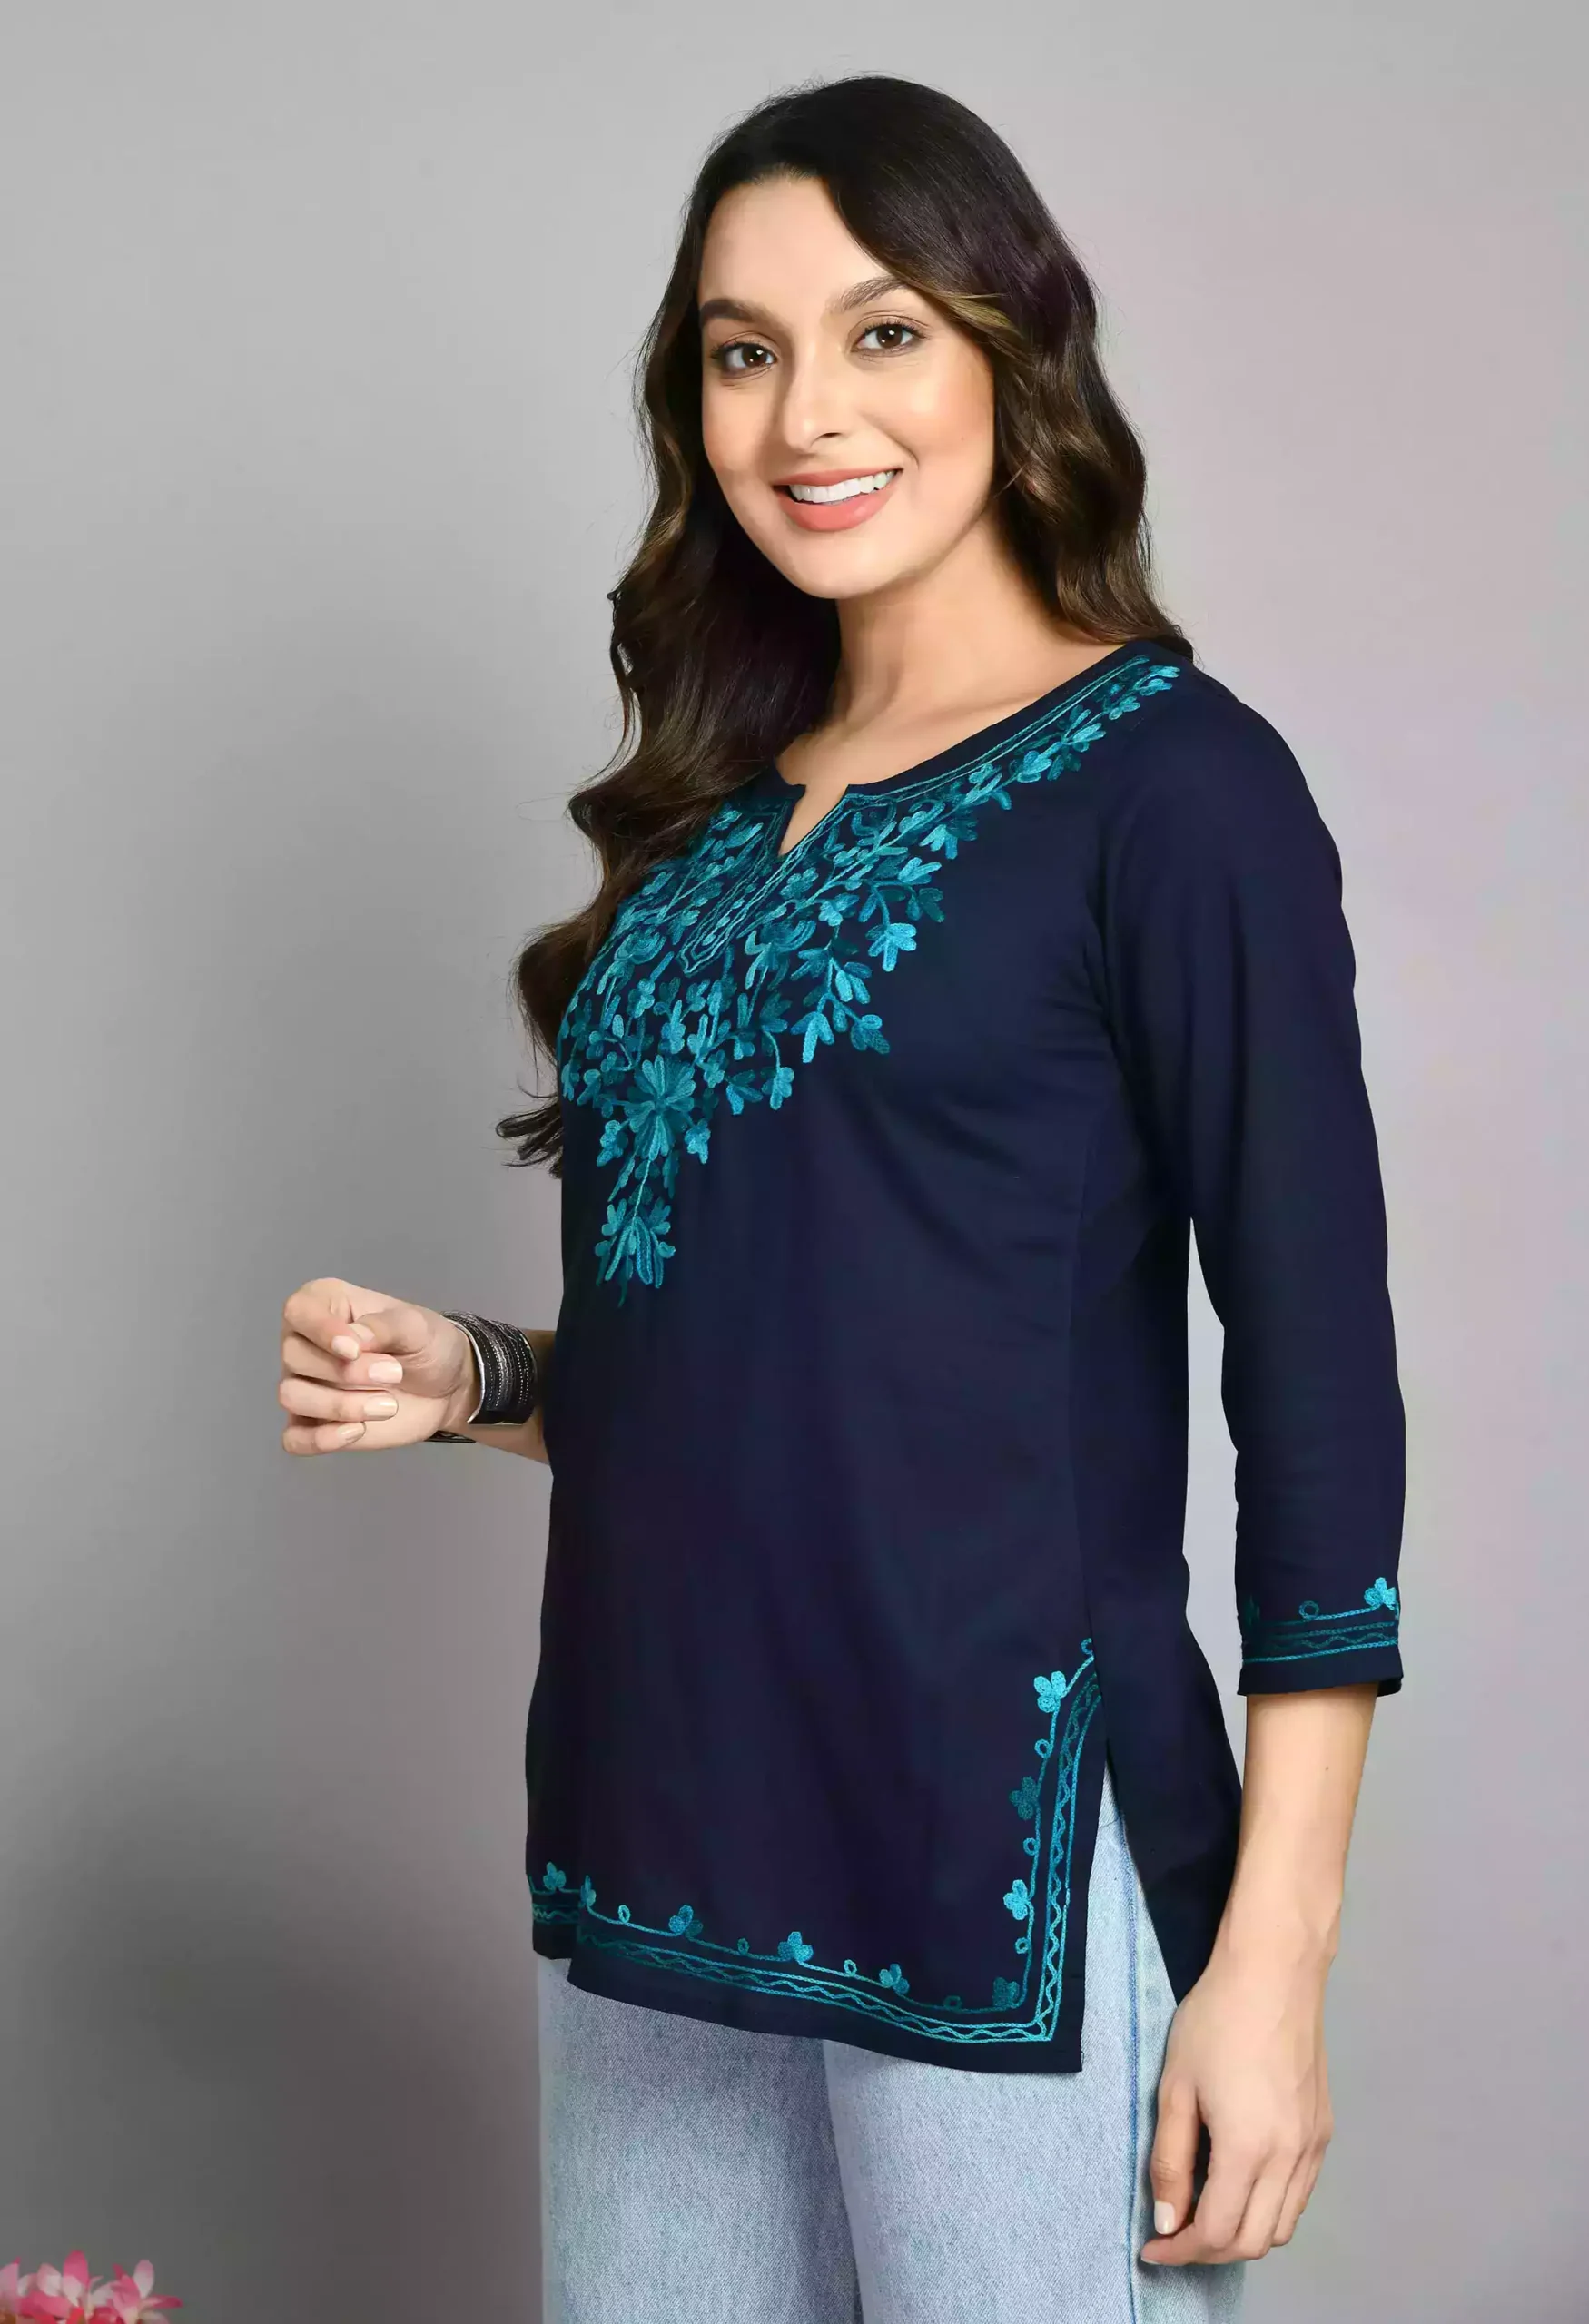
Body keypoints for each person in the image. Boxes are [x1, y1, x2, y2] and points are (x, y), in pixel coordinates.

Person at [277, 73, 1405, 2324]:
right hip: (653, 1836)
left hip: (988, 1840)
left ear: (1008, 347)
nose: (806, 412)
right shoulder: (706, 830)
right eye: (742, 349)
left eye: (880, 331)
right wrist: (481, 1373)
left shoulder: (1173, 792)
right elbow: (780, 1348)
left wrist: (1266, 1962)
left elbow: (1318, 1399)